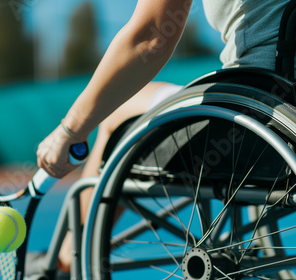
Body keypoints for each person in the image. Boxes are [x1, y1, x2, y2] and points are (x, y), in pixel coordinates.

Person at [34, 0, 294, 276]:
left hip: (257, 110)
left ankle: (66, 261)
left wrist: (70, 130)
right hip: (279, 110)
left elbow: (151, 36)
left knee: (116, 116)